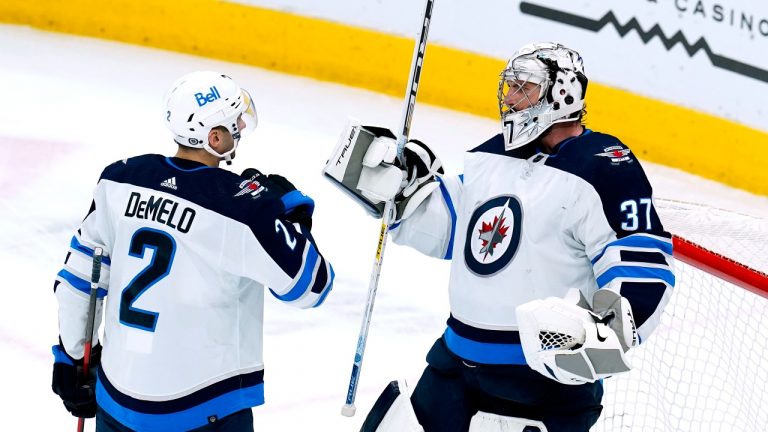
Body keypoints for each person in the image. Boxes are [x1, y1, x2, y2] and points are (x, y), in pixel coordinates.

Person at [325, 42, 674, 431]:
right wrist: (404, 192)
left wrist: (609, 334)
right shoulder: (491, 156)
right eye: (509, 86)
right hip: (454, 365)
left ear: (563, 93)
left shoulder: (604, 167)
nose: (509, 97)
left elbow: (642, 263)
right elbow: (460, 231)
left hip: (542, 385)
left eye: (523, 88)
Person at [51, 71, 334, 431]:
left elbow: (79, 282)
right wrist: (290, 213)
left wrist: (72, 359)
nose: (242, 126)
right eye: (235, 122)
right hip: (204, 412)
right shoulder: (242, 208)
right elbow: (312, 286)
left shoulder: (119, 181)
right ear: (214, 137)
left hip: (116, 404)